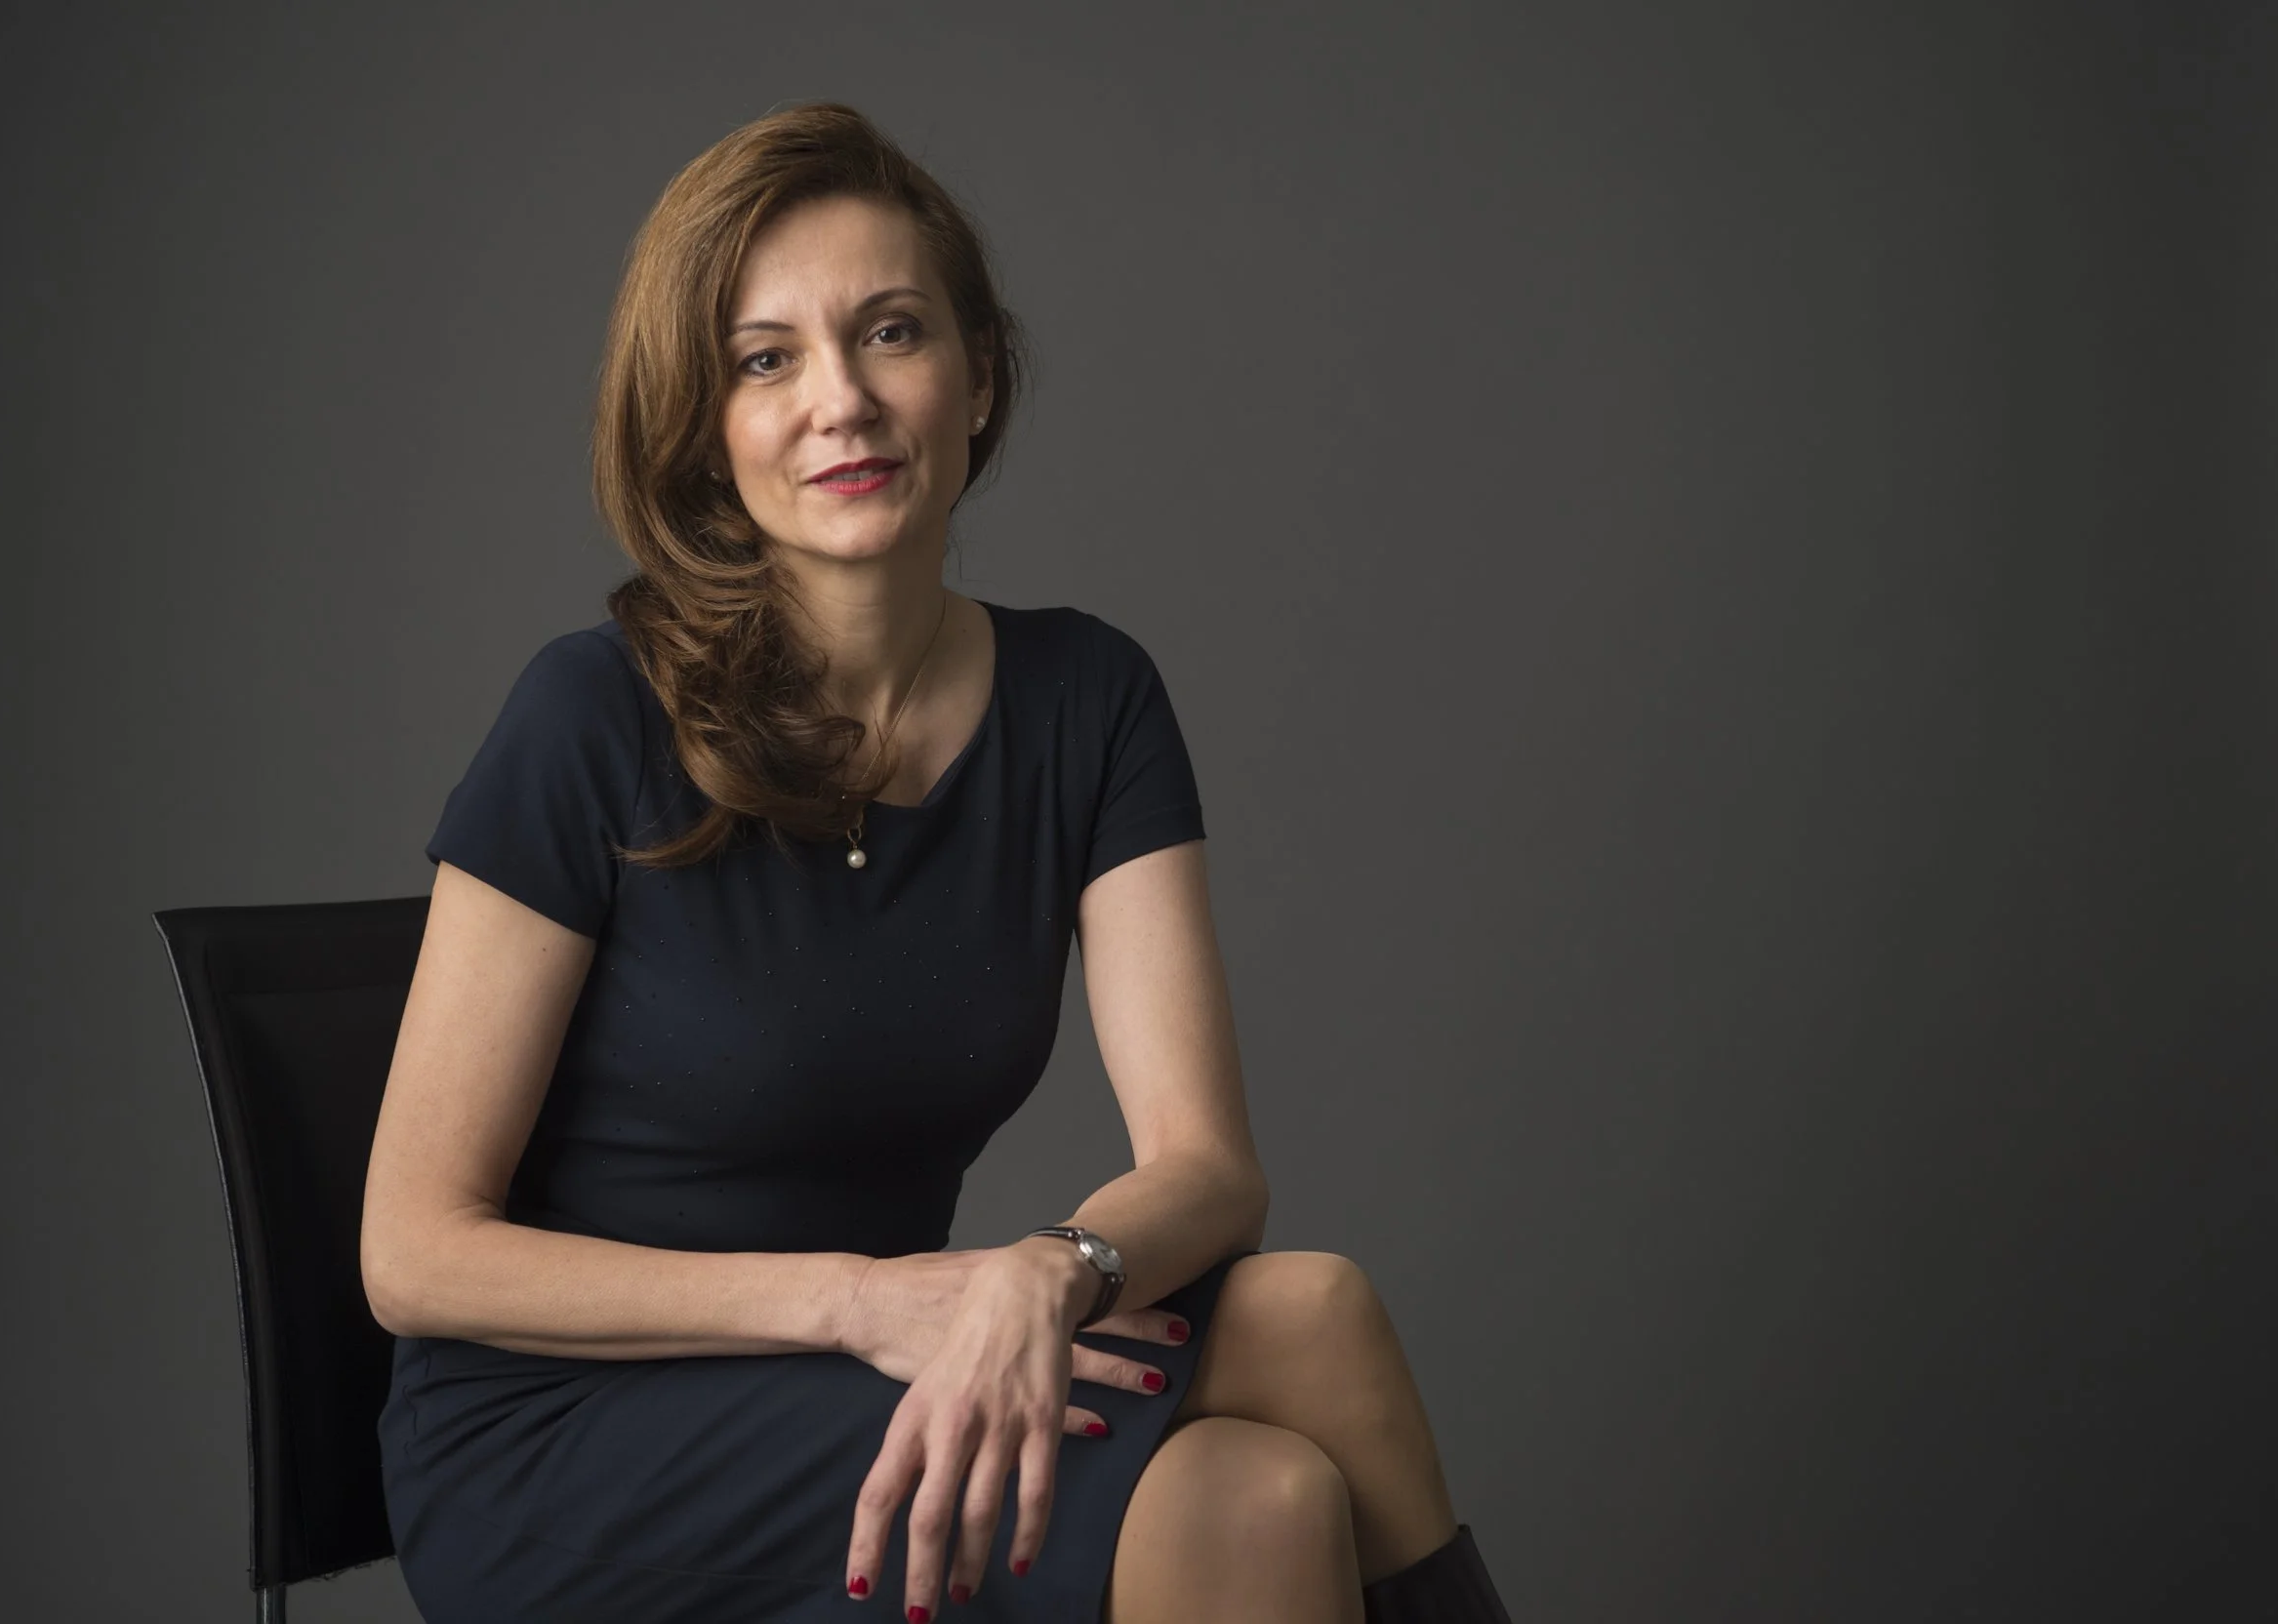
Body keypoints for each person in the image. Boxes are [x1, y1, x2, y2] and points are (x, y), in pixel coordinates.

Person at [359, 101, 1513, 1624]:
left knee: (1318, 1313)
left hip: (905, 1353)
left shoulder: (1085, 701)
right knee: (1254, 1500)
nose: (841, 401)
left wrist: (1049, 1266)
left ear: (977, 379)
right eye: (766, 359)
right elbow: (414, 1254)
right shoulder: (588, 716)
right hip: (566, 1443)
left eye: (891, 333)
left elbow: (1209, 1169)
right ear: (706, 428)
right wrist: (860, 1299)